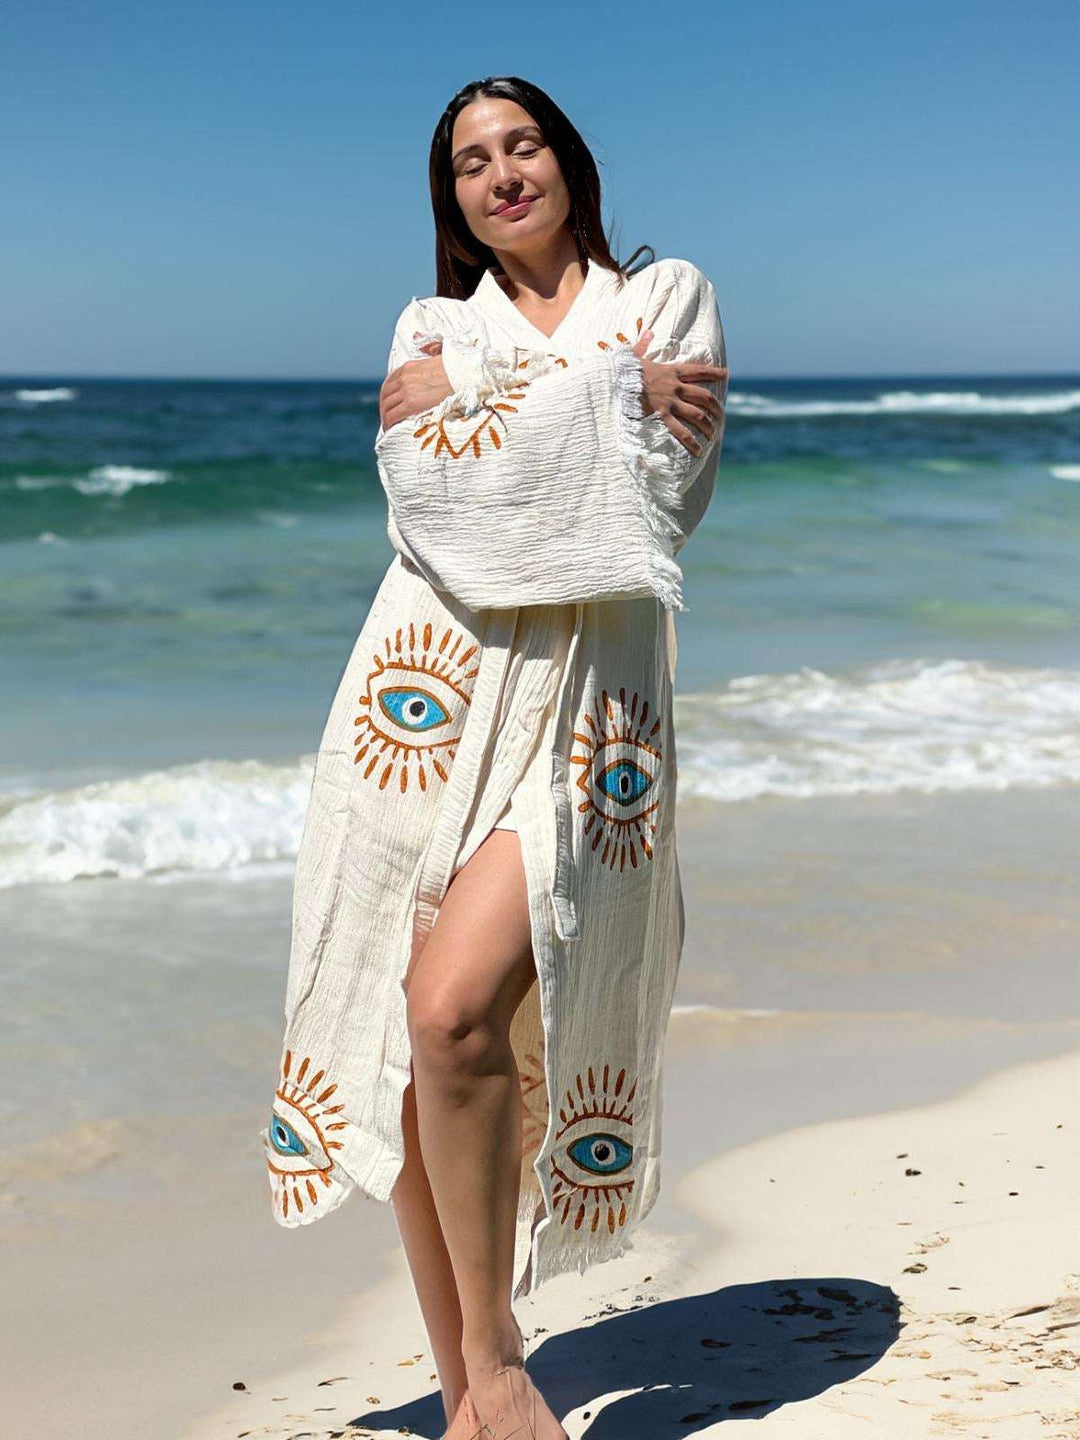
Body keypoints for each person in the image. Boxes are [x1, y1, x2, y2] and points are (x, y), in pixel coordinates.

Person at [261, 74, 729, 1440]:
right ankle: (479, 1386)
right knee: (411, 1039)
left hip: (592, 724)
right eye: (472, 161)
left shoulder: (667, 299)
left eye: (523, 146)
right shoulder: (432, 325)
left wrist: (501, 411)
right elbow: (435, 508)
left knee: (454, 1005)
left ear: (570, 164)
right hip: (422, 707)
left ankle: (497, 1360)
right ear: (452, 198)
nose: (502, 173)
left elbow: (656, 499)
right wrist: (605, 398)